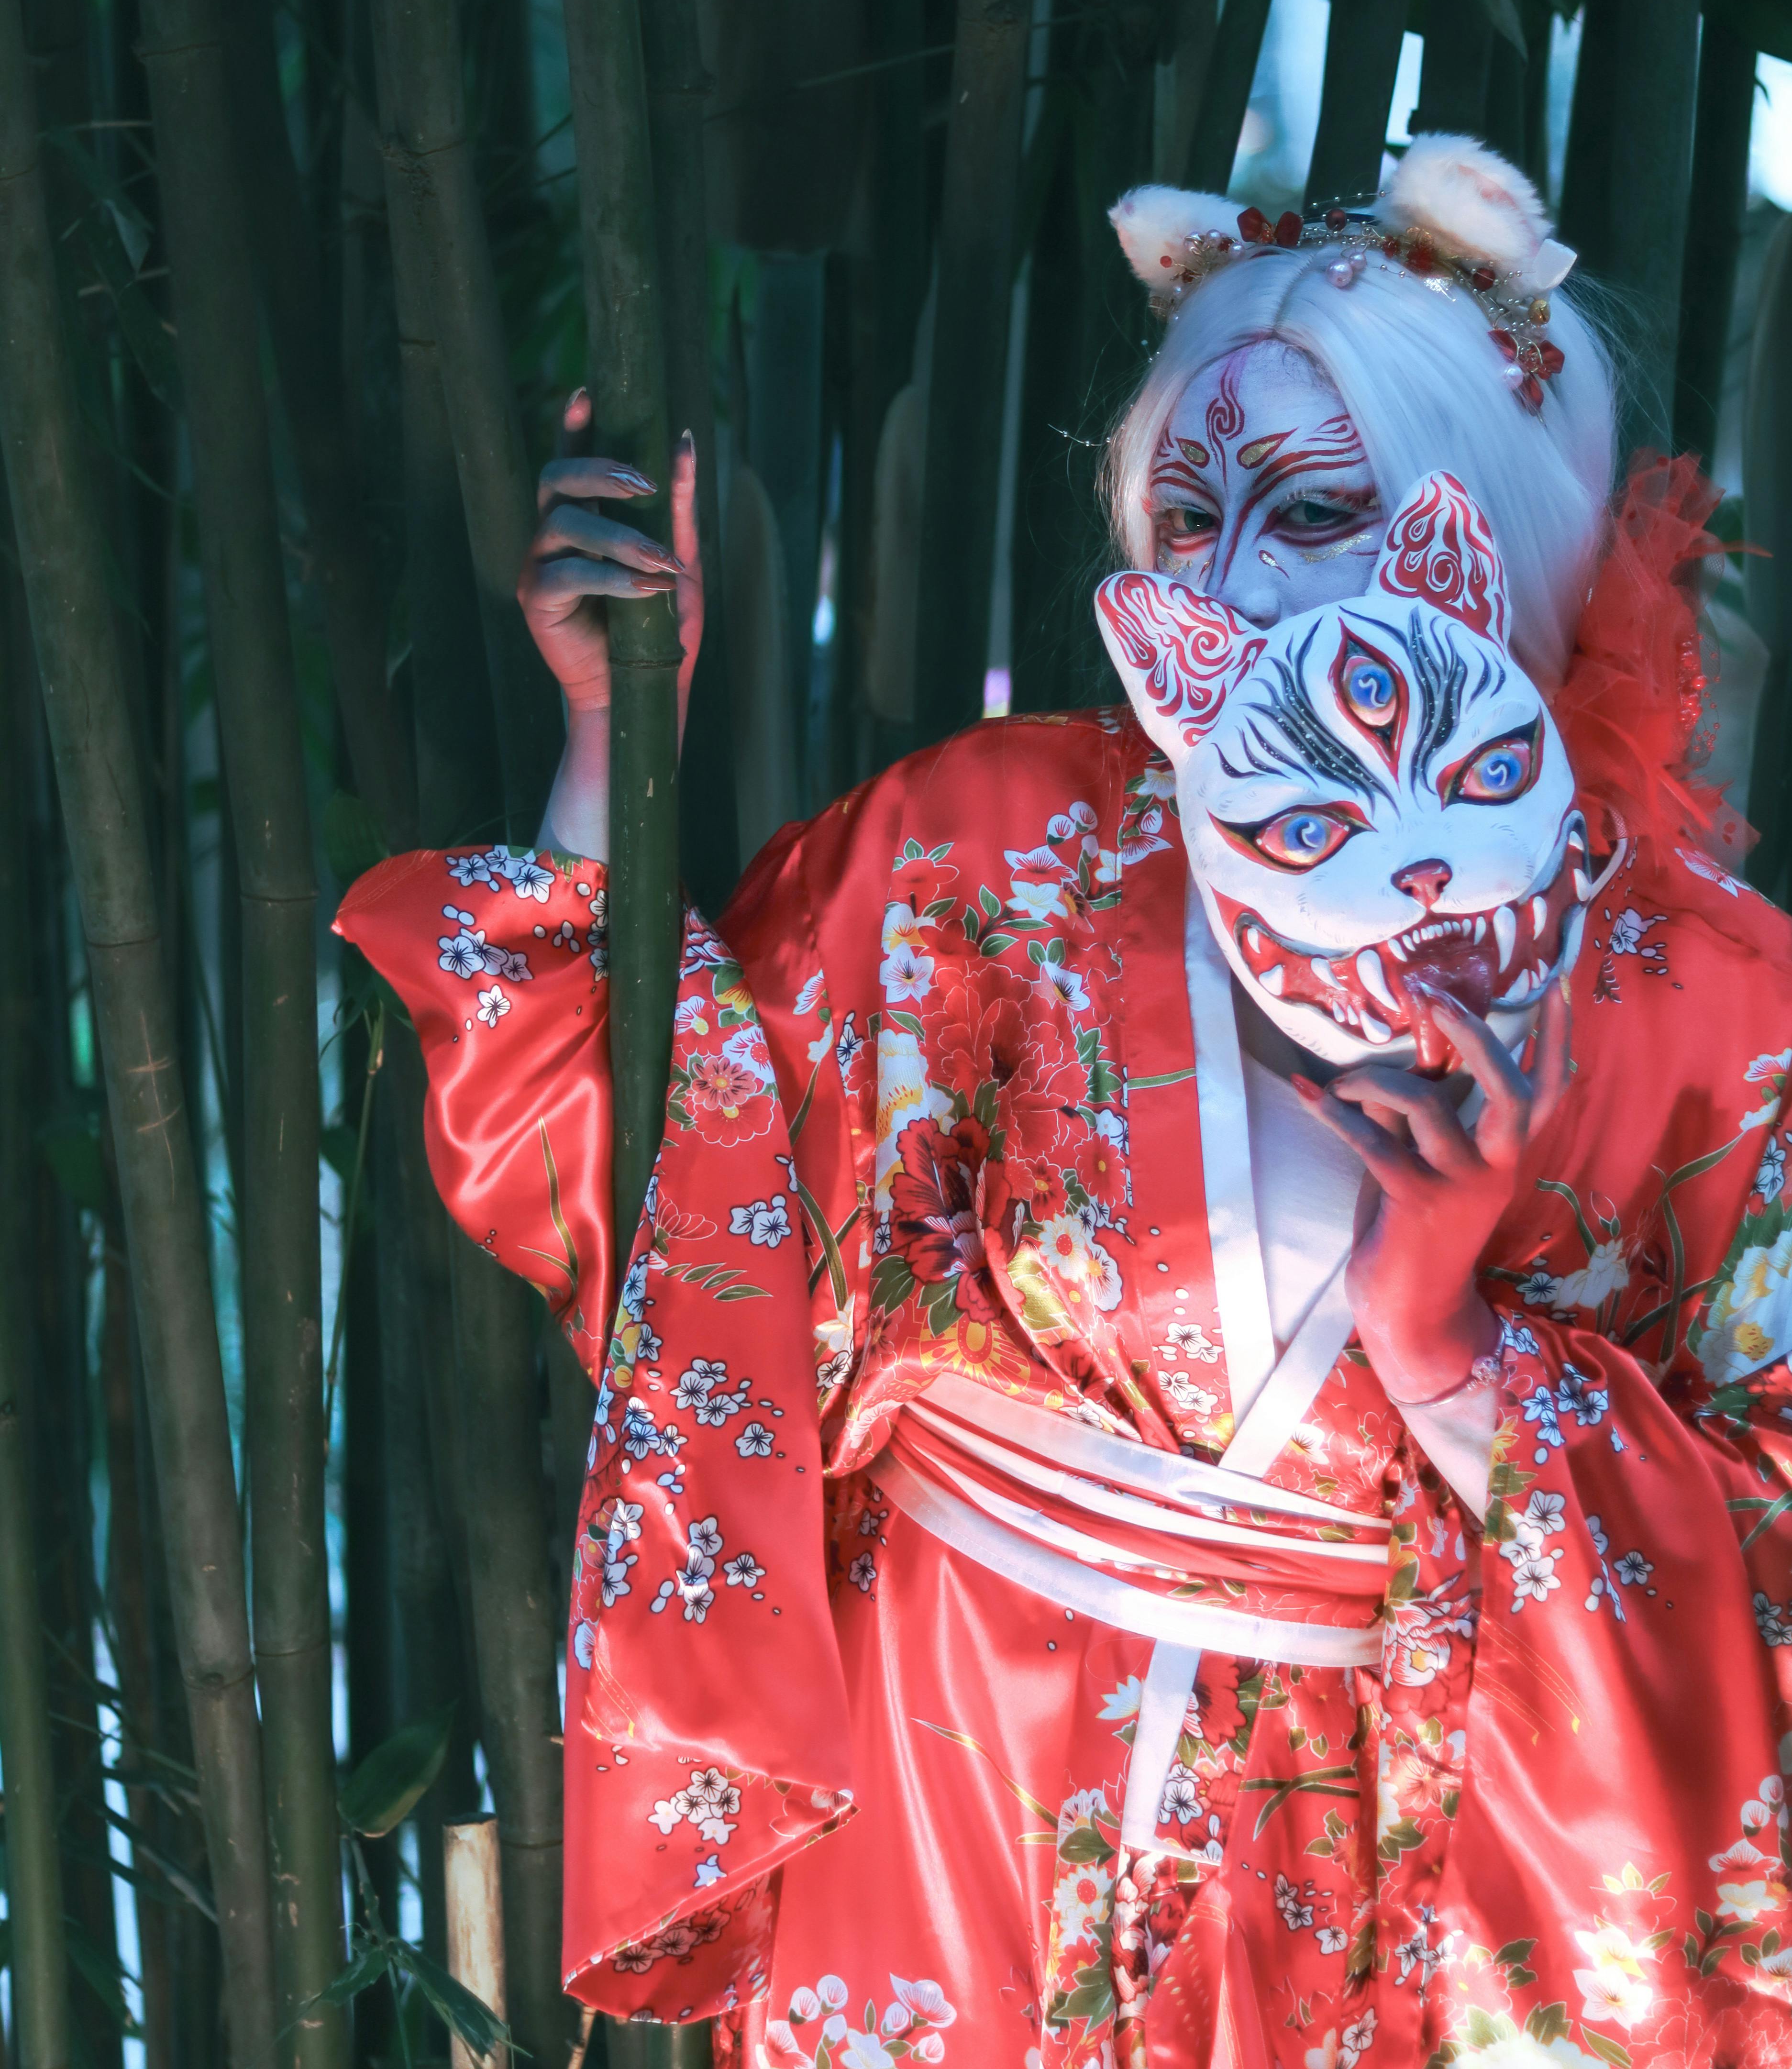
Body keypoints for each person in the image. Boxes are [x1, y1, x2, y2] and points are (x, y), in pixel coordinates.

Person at [339, 136, 1792, 2069]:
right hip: (947, 1822)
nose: (1235, 581)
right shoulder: (984, 847)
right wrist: (622, 733)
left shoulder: (1712, 996)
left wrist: (1450, 1353)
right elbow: (681, 1200)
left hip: (1381, 1880)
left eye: (1315, 511)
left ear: (1483, 532)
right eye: (1186, 516)